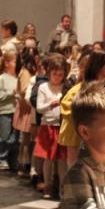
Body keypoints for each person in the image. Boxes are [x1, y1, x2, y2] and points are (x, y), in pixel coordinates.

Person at [59, 51, 105, 166]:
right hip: (78, 135)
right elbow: (66, 107)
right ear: (98, 65)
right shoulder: (80, 89)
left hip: (98, 134)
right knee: (77, 169)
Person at [33, 54, 68, 199]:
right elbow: (39, 108)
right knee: (48, 158)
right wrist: (51, 104)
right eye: (54, 74)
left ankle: (62, 189)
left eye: (60, 74)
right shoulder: (43, 87)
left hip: (61, 126)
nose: (57, 77)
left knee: (62, 160)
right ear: (49, 73)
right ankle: (47, 185)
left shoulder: (65, 87)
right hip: (48, 126)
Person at [14, 46, 38, 176]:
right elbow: (24, 90)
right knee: (26, 138)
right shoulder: (25, 72)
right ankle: (23, 164)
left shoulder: (30, 71)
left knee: (28, 138)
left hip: (28, 106)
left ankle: (26, 164)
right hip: (26, 107)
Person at [0, 49, 20, 171]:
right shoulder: (2, 78)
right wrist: (11, 93)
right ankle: (2, 158)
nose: (17, 64)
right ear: (7, 63)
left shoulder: (18, 78)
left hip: (16, 111)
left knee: (15, 138)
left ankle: (13, 158)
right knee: (4, 136)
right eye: (15, 62)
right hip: (5, 112)